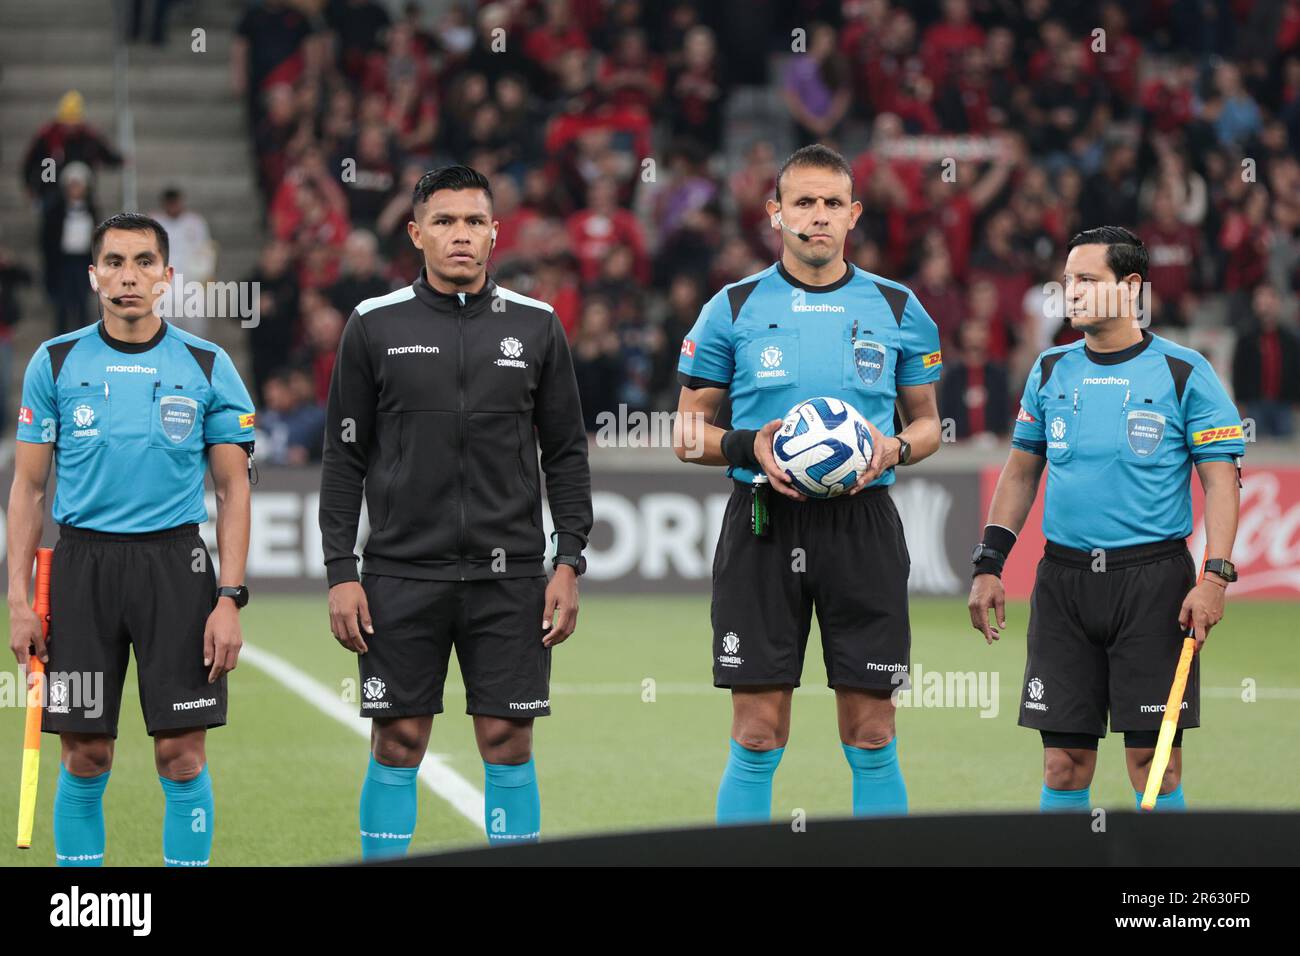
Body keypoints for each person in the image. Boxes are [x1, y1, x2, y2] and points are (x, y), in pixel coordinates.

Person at [318, 165, 592, 855]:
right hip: (401, 574)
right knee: (399, 738)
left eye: (474, 221)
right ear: (416, 233)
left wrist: (569, 561)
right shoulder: (373, 326)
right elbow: (344, 457)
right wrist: (340, 570)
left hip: (512, 577)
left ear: (495, 232)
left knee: (507, 739)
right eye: (444, 221)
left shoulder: (537, 327)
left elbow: (565, 453)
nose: (460, 235)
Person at [673, 144, 943, 823]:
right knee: (757, 732)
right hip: (764, 523)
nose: (816, 217)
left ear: (853, 215)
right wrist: (747, 446)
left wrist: (894, 449)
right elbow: (685, 433)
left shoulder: (899, 306)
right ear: (775, 214)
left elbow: (930, 424)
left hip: (864, 526)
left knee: (873, 732)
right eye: (802, 203)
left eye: (831, 204)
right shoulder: (730, 307)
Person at [7, 213, 256, 866]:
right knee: (85, 754)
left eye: (144, 262)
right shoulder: (55, 360)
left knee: (181, 754)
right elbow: (29, 490)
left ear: (168, 278)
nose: (129, 276)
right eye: (114, 262)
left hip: (176, 567)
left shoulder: (207, 363)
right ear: (93, 276)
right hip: (80, 567)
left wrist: (229, 596)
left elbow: (233, 491)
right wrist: (17, 599)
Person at [968, 226, 1243, 813]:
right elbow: (1020, 474)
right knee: (1063, 765)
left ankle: (1164, 903)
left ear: (1132, 286)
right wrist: (989, 564)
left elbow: (1220, 480)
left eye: (1088, 280)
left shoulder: (1183, 371)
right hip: (1064, 584)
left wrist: (1214, 578)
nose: (1072, 292)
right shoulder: (1047, 369)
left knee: (1153, 764)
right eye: (1068, 281)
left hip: (1154, 584)